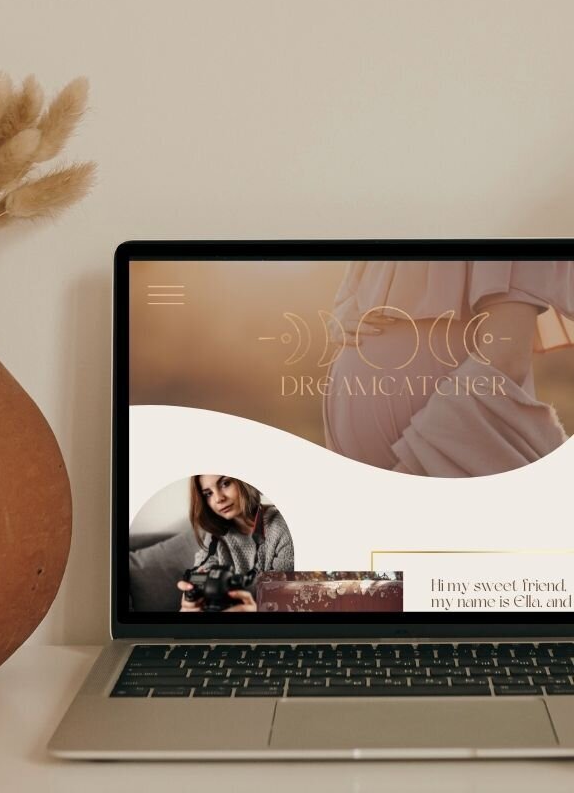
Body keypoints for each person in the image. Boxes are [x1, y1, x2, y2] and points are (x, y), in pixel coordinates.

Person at [322, 261, 574, 477]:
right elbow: (352, 295)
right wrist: (346, 307)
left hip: (440, 473)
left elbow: (506, 358)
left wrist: (411, 473)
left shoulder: (502, 213)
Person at [177, 475, 294, 613]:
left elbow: (288, 601)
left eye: (225, 483)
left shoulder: (283, 528)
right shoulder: (214, 536)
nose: (218, 498)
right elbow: (200, 575)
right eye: (208, 493)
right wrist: (192, 598)